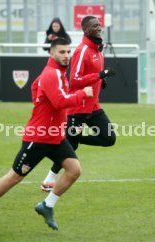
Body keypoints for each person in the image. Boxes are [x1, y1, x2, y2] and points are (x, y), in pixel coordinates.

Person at [0, 38, 93, 235]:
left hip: (54, 136)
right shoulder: (52, 74)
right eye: (62, 52)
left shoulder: (57, 73)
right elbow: (61, 101)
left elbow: (36, 88)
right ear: (51, 53)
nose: (66, 56)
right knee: (15, 177)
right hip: (38, 138)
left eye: (68, 52)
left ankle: (47, 205)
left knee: (74, 169)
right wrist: (82, 94)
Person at [41, 16, 116, 192]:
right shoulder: (82, 51)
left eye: (99, 25)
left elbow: (91, 76)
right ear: (85, 30)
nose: (98, 27)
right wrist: (99, 76)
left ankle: (70, 139)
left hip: (93, 106)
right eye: (94, 26)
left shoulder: (98, 50)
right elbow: (74, 81)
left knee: (109, 138)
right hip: (78, 107)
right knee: (71, 146)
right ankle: (48, 180)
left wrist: (100, 81)